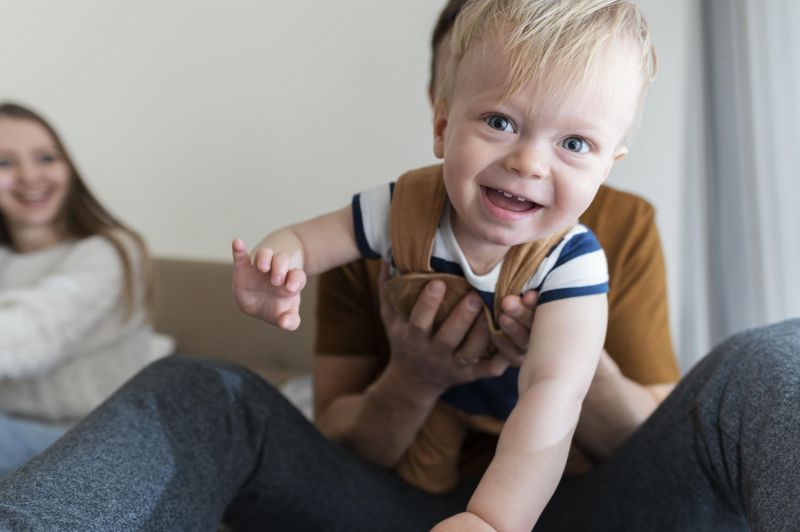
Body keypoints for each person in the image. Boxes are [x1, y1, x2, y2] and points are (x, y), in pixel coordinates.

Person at [0, 2, 797, 531]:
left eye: (573, 142)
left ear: (607, 158)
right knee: (202, 386)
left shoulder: (590, 249)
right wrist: (402, 366)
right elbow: (307, 252)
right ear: (441, 116)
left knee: (773, 356)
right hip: (395, 495)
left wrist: (499, 506)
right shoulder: (398, 212)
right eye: (500, 119)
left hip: (566, 495)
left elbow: (570, 402)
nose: (528, 163)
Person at [0, 102, 173, 478]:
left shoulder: (110, 251)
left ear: (69, 167)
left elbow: (37, 333)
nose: (30, 176)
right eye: (5, 164)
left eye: (46, 158)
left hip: (95, 436)